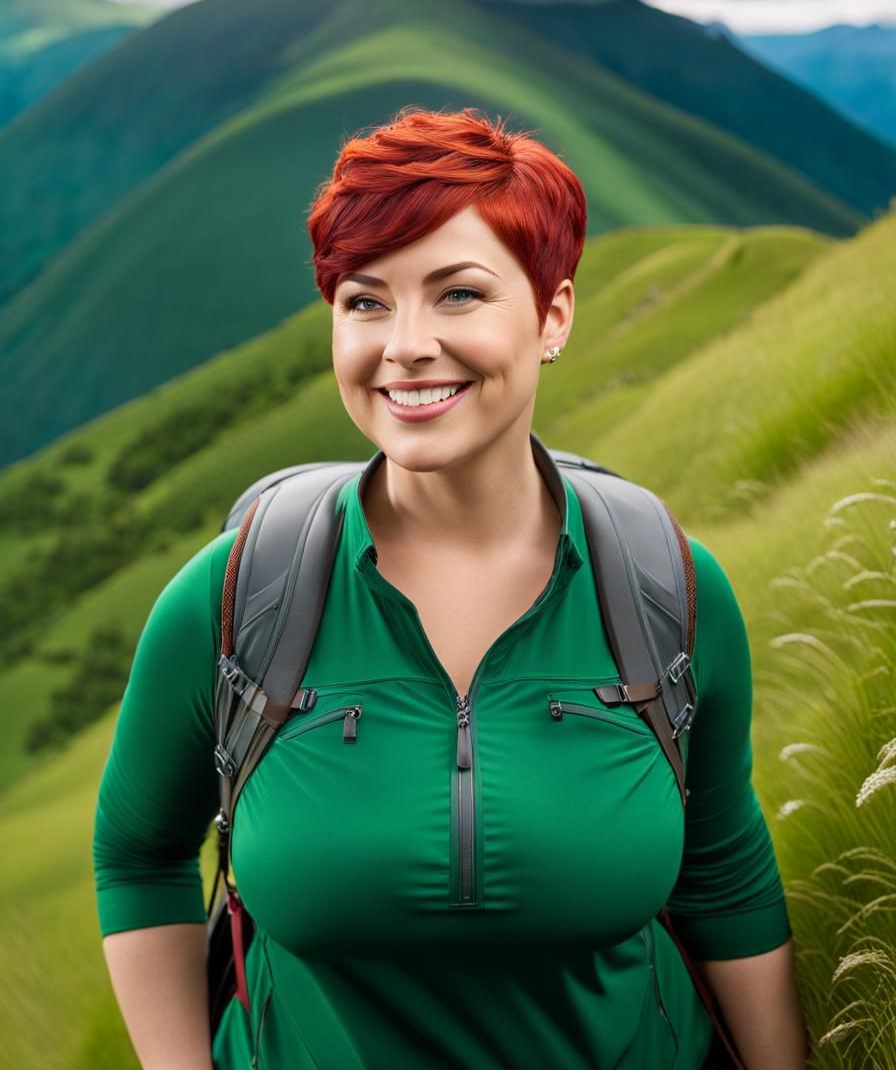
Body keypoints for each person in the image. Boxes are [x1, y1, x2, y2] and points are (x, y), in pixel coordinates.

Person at [93, 106, 809, 1069]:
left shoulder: (667, 592)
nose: (406, 345)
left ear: (553, 314)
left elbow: (723, 874)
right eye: (365, 300)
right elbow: (139, 856)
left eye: (459, 295)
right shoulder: (234, 600)